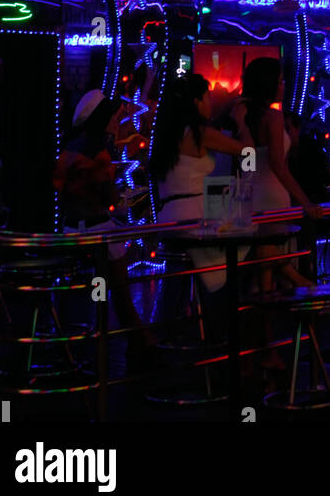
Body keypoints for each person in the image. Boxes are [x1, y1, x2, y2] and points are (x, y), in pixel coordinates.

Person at [54, 90, 156, 367]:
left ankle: (97, 333)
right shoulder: (98, 152)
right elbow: (111, 199)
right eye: (112, 116)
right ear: (101, 119)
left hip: (70, 230)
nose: (117, 119)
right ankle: (138, 339)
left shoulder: (69, 146)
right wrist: (129, 197)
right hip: (96, 231)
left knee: (109, 278)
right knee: (121, 283)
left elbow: (63, 188)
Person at [150, 73, 248, 299]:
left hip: (168, 217)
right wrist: (241, 121)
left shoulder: (167, 134)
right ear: (196, 102)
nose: (210, 102)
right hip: (196, 218)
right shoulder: (200, 134)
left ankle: (184, 325)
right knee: (247, 247)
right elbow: (247, 151)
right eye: (207, 97)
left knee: (177, 286)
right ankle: (223, 322)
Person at [231, 58, 324, 291]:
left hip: (249, 196)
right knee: (270, 266)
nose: (284, 85)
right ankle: (284, 310)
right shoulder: (273, 117)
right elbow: (278, 166)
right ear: (269, 83)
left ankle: (258, 321)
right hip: (273, 196)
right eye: (281, 81)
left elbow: (247, 162)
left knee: (260, 267)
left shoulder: (240, 114)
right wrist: (305, 202)